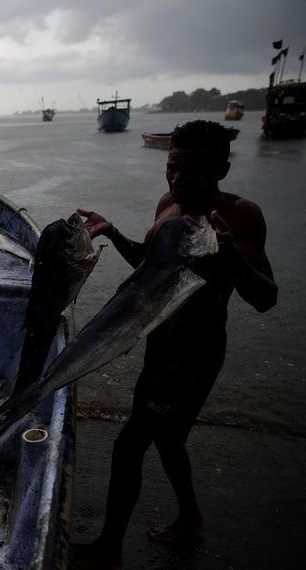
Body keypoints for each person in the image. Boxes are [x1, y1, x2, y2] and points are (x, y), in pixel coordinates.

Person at [70, 120, 278, 570]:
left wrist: (231, 256)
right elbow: (152, 270)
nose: (177, 179)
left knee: (129, 446)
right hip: (158, 345)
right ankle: (190, 517)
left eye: (190, 170)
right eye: (172, 168)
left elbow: (265, 298)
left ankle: (108, 551)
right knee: (168, 440)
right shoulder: (169, 204)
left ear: (220, 168)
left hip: (194, 354)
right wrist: (111, 231)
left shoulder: (241, 216)